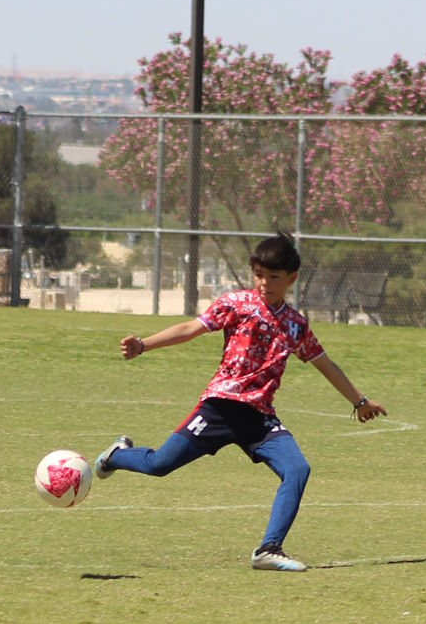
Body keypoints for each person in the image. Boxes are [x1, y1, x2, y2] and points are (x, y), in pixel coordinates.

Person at [96, 234, 387, 572]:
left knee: (297, 469)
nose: (264, 283)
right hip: (220, 408)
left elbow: (326, 365)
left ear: (291, 278)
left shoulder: (296, 326)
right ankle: (116, 456)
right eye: (259, 275)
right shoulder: (236, 304)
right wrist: (143, 345)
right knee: (159, 464)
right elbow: (191, 328)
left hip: (259, 419)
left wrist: (360, 401)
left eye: (273, 277)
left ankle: (269, 549)